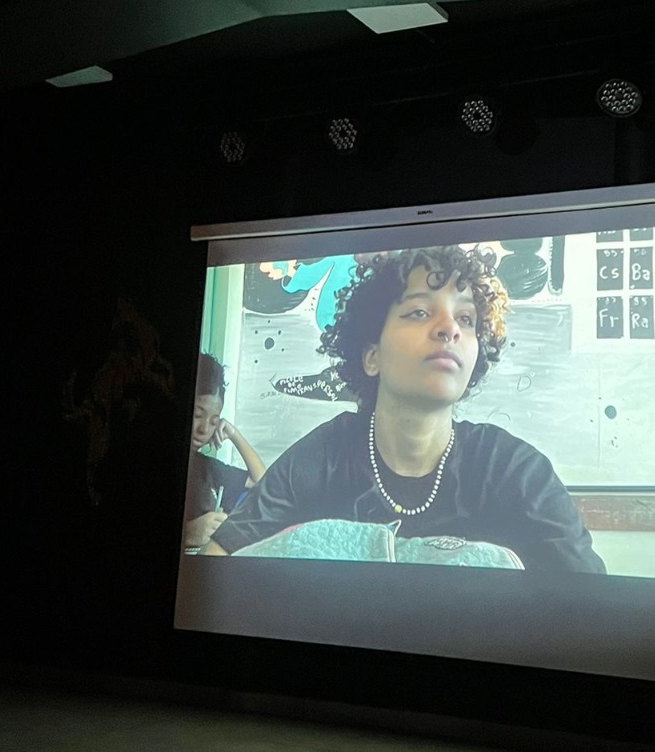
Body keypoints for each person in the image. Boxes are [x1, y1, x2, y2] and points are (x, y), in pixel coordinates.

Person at [202, 246, 605, 575]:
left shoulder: (516, 472)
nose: (450, 328)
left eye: (466, 318)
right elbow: (215, 565)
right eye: (419, 312)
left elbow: (591, 614)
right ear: (372, 356)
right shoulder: (324, 456)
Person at [184, 353, 267, 549]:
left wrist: (233, 433)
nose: (204, 429)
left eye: (214, 421)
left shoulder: (208, 468)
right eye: (198, 415)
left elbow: (263, 482)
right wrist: (187, 533)